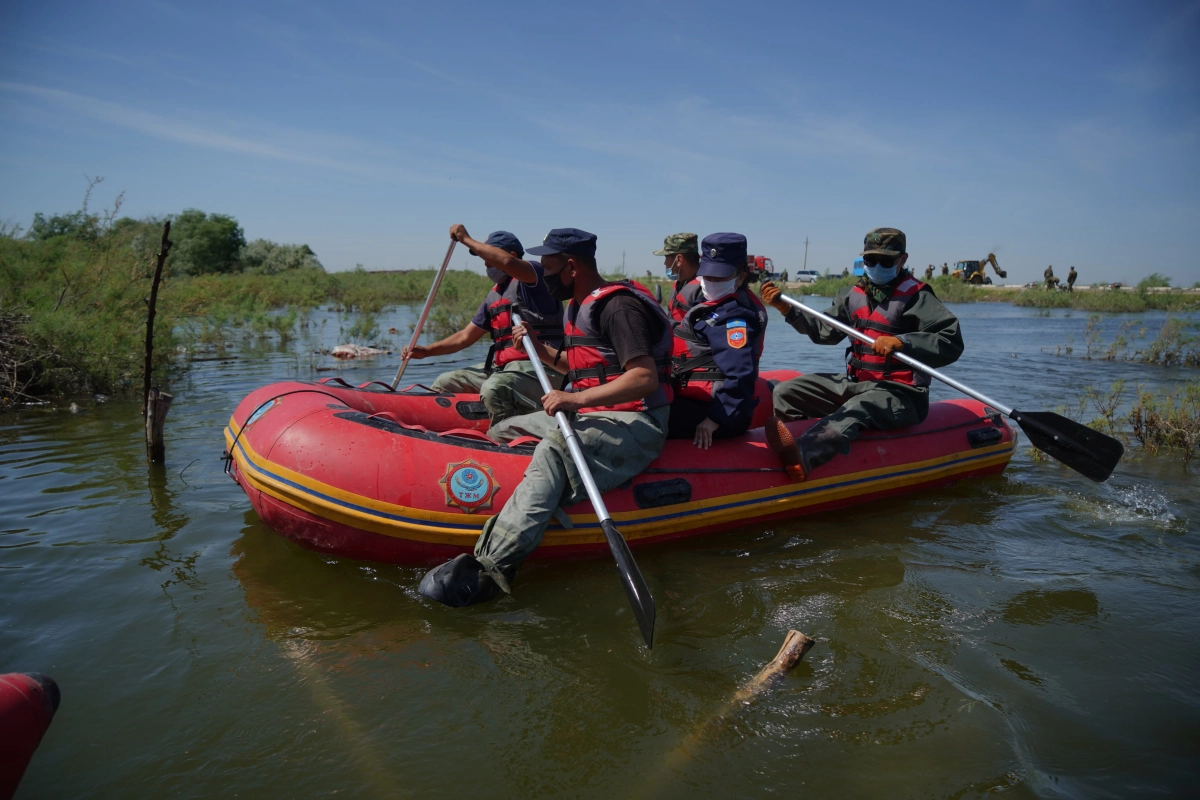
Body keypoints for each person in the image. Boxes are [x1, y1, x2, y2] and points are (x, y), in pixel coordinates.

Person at [418, 228, 675, 607]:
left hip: (636, 421)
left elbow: (643, 378)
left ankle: (493, 566)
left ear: (571, 268)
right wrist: (539, 347)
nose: (543, 273)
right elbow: (580, 364)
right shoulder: (576, 305)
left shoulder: (618, 307)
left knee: (555, 449)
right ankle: (528, 490)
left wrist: (574, 399)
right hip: (594, 410)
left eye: (550, 267)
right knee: (506, 427)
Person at [758, 228, 964, 481]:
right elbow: (825, 332)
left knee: (860, 406)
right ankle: (789, 447)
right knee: (786, 391)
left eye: (886, 261)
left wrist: (903, 341)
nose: (877, 265)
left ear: (903, 259)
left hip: (902, 395)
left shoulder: (918, 297)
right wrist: (787, 310)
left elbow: (951, 342)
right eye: (870, 260)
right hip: (858, 384)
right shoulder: (851, 295)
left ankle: (806, 455)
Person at [401, 227, 565, 425]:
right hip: (505, 368)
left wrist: (466, 239)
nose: (486, 264)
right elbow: (464, 337)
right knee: (446, 381)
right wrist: (426, 351)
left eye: (489, 258)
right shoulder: (494, 296)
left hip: (541, 368)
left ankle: (504, 435)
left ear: (511, 254)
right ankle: (443, 430)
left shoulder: (533, 276)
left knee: (494, 388)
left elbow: (507, 262)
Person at [668, 233, 768, 448]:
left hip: (720, 413)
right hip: (697, 402)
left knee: (653, 419)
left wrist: (714, 420)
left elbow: (740, 375)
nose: (711, 283)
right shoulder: (710, 308)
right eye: (708, 276)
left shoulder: (735, 320)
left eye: (719, 278)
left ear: (740, 278)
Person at [655, 233, 703, 323]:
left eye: (666, 258)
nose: (665, 263)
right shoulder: (680, 283)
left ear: (679, 260)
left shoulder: (704, 289)